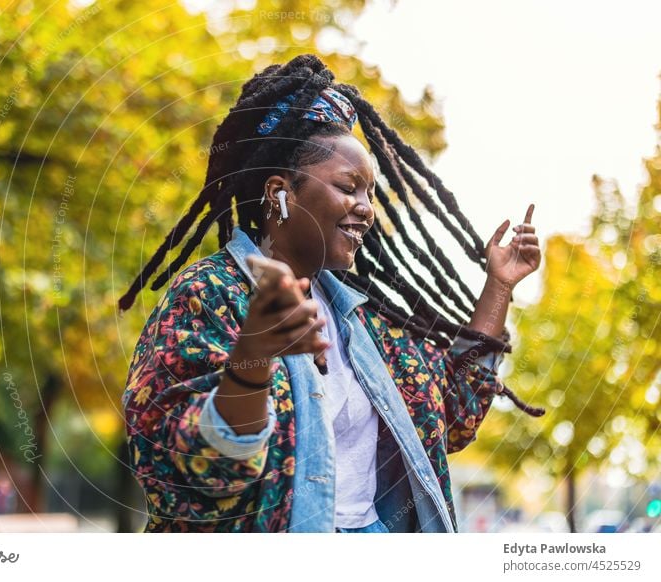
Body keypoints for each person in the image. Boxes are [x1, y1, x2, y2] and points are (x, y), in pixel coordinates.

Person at [118, 54, 544, 533]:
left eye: (371, 194)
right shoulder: (208, 294)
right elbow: (186, 471)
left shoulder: (366, 319)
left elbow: (450, 419)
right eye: (349, 188)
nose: (365, 209)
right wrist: (252, 358)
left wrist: (499, 287)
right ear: (281, 193)